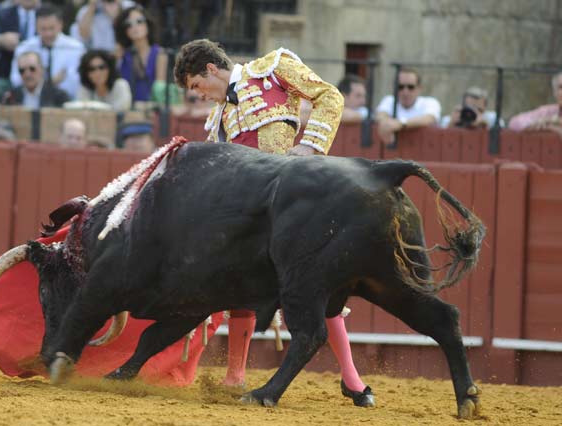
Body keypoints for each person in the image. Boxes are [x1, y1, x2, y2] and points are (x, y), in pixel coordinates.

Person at [173, 39, 374, 407]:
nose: (199, 96)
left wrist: (311, 148)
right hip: (252, 213)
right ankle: (235, 375)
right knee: (238, 278)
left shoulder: (273, 67)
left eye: (197, 86)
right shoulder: (217, 117)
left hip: (294, 203)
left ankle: (352, 378)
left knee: (320, 285)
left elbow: (330, 97)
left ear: (211, 70)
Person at [10, 3, 86, 99]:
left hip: (68, 101)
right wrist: (47, 83)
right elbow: (16, 80)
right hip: (33, 100)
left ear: (60, 24)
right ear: (36, 26)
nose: (48, 33)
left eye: (51, 28)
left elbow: (77, 82)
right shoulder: (24, 48)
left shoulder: (76, 48)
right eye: (43, 29)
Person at [114, 5, 168, 103]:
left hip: (152, 109)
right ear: (124, 30)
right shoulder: (121, 54)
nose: (135, 27)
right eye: (128, 24)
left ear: (147, 23)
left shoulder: (160, 54)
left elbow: (160, 90)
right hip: (126, 108)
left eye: (139, 21)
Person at [376, 67, 441, 145]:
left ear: (419, 88)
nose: (405, 92)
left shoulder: (430, 102)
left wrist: (400, 124)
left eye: (411, 87)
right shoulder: (389, 100)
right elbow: (381, 114)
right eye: (400, 87)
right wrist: (386, 124)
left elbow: (429, 118)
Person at [0, 0, 41, 79]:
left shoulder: (46, 14)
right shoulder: (5, 13)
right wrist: (1, 39)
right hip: (7, 68)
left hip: (39, 70)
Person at [3, 50, 69, 109]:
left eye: (32, 69)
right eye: (22, 70)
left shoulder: (59, 96)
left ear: (42, 69)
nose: (27, 74)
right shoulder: (11, 96)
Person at [509, 71, 562, 137]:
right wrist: (549, 124)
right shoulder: (547, 111)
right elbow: (515, 123)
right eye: (561, 87)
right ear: (554, 92)